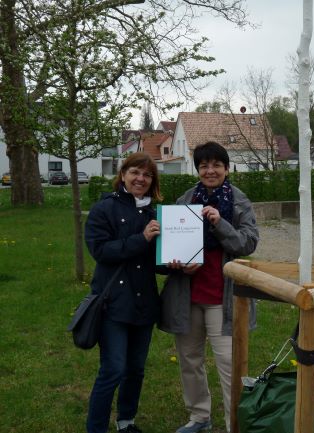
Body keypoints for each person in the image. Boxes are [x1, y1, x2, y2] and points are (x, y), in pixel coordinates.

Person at [159, 141, 259, 433]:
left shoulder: (238, 201)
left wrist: (220, 223)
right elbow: (171, 246)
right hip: (188, 295)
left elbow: (248, 243)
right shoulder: (186, 200)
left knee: (229, 364)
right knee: (190, 360)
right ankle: (199, 416)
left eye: (216, 165)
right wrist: (176, 262)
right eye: (204, 166)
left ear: (227, 168)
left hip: (223, 297)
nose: (210, 171)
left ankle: (234, 425)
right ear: (198, 170)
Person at [84, 152, 163, 433]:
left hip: (144, 304)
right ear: (123, 175)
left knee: (136, 369)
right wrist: (141, 238)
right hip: (113, 304)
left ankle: (126, 421)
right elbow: (101, 250)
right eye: (135, 172)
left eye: (147, 174)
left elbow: (157, 260)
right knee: (113, 369)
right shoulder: (104, 209)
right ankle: (96, 428)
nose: (141, 179)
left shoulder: (155, 213)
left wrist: (179, 264)